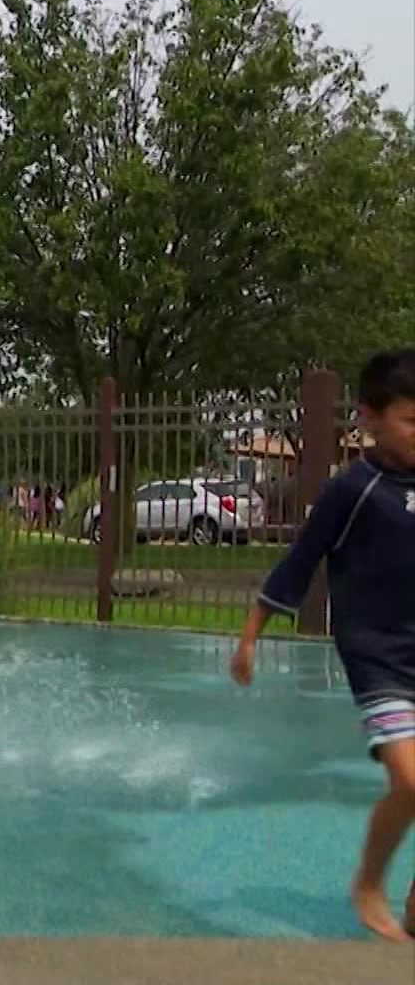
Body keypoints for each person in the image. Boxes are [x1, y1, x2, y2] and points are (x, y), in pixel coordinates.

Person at [231, 349, 415, 942]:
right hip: (377, 657)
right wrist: (250, 638)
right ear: (369, 417)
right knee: (411, 782)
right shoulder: (351, 490)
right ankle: (368, 882)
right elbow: (300, 562)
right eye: (412, 421)